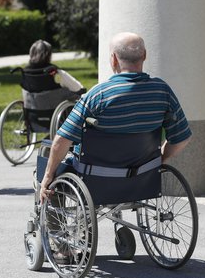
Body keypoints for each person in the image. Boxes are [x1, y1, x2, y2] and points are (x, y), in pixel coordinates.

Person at [39, 32, 192, 201]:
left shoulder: (98, 95)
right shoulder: (162, 91)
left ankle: (54, 220)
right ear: (144, 56)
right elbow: (181, 138)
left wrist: (48, 175)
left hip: (94, 181)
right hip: (142, 179)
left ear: (113, 59)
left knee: (48, 165)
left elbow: (61, 141)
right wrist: (159, 160)